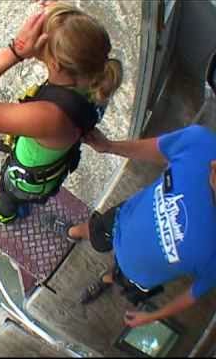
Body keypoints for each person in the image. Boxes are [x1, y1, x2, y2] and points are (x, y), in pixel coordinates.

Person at [0, 2, 122, 224]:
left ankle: (6, 215)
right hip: (53, 161)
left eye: (42, 36)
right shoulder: (96, 75)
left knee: (8, 193)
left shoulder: (48, 116)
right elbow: (76, 32)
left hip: (26, 181)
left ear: (55, 65)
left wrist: (16, 51)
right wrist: (55, 12)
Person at [66, 123, 216, 328]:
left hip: (137, 275)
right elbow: (158, 149)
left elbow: (193, 294)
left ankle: (108, 279)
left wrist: (154, 316)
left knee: (119, 278)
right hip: (121, 220)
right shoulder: (201, 144)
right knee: (95, 231)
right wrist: (109, 146)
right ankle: (72, 231)